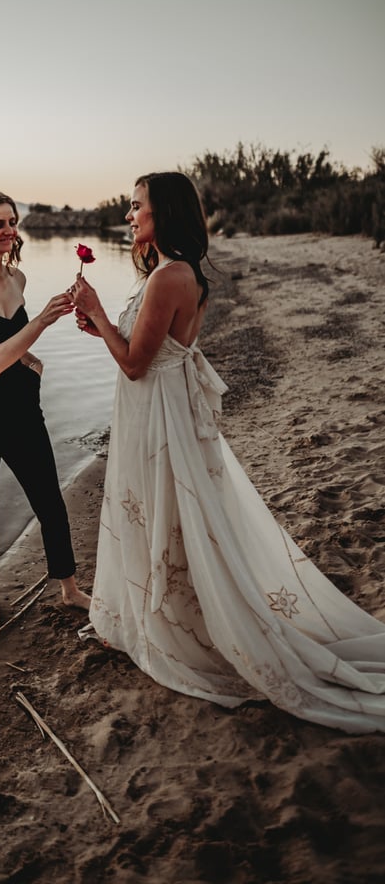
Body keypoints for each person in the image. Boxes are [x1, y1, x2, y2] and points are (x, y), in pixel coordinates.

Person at [70, 171, 385, 733]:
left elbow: (137, 363)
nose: (129, 215)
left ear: (162, 213)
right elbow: (150, 345)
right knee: (166, 513)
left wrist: (95, 310)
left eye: (136, 206)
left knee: (165, 511)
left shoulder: (169, 276)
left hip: (157, 416)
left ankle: (175, 626)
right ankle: (156, 612)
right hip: (158, 409)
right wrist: (105, 327)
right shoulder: (174, 272)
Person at [0, 189, 90, 633]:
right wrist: (41, 321)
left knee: (49, 497)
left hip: (21, 407)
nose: (10, 231)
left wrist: (33, 362)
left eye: (12, 222)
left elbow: (13, 346)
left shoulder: (17, 279)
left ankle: (69, 588)